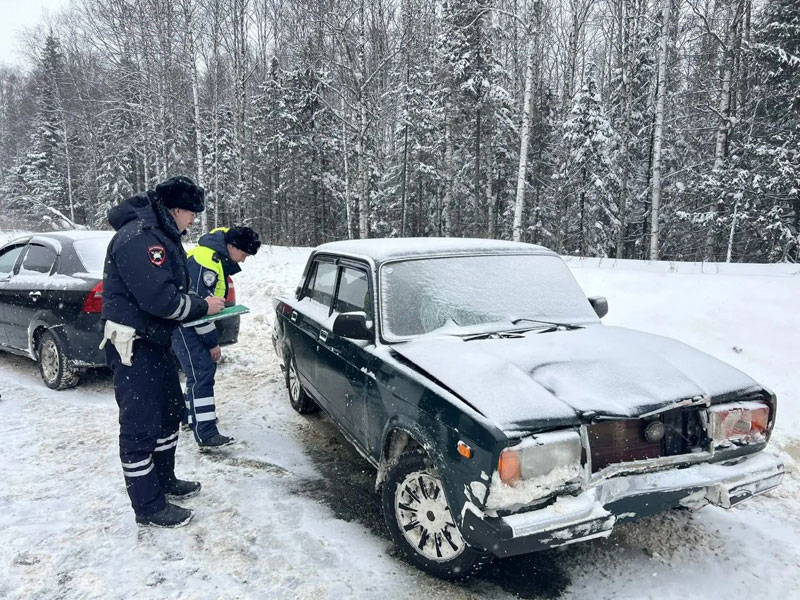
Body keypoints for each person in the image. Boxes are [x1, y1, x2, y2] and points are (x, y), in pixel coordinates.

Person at [101, 175, 226, 528]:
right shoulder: (139, 238)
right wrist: (204, 306)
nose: (193, 222)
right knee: (140, 426)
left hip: (155, 342)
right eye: (191, 215)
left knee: (170, 413)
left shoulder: (160, 234)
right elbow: (161, 300)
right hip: (133, 345)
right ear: (176, 209)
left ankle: (165, 480)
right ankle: (148, 506)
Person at [172, 225, 261, 448]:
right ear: (231, 246)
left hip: (183, 321)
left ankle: (189, 416)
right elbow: (199, 312)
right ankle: (206, 433)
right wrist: (212, 343)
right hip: (185, 324)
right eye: (243, 254)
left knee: (197, 372)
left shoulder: (211, 255)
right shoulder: (207, 264)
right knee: (202, 371)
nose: (243, 261)